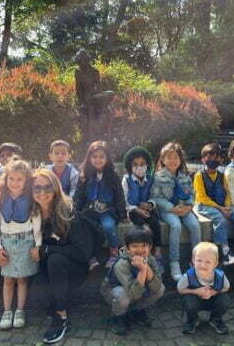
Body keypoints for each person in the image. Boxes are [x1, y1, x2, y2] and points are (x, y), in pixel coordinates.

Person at [32, 169, 102, 344]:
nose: (42, 192)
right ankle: (56, 299)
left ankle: (61, 316)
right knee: (37, 298)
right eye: (37, 187)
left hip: (75, 268)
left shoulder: (68, 212)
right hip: (47, 268)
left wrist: (46, 250)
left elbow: (82, 252)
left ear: (55, 188)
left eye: (47, 187)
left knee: (55, 259)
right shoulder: (32, 213)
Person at [0, 160, 41, 330]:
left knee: (22, 279)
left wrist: (38, 245)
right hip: (6, 242)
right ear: (5, 180)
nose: (14, 182)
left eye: (19, 179)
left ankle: (20, 310)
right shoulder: (2, 198)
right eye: (11, 178)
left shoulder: (30, 199)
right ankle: (7, 311)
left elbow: (37, 224)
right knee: (7, 279)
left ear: (26, 180)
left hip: (25, 241)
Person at [101, 226, 165, 336]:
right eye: (135, 246)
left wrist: (146, 269)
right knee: (123, 295)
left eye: (144, 245)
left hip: (135, 290)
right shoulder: (122, 264)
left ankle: (136, 310)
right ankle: (118, 317)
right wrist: (142, 271)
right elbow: (134, 294)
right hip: (113, 290)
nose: (140, 250)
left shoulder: (151, 259)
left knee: (161, 289)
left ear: (150, 247)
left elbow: (156, 286)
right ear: (127, 248)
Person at [151, 142, 201, 281]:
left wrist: (189, 207)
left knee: (195, 225)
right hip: (167, 210)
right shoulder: (158, 177)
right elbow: (156, 197)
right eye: (169, 157)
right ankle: (174, 262)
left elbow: (192, 193)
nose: (173, 161)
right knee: (176, 225)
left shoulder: (184, 176)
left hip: (184, 208)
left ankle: (196, 259)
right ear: (163, 159)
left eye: (176, 158)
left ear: (181, 160)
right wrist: (171, 208)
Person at [73, 140, 126, 269]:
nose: (98, 160)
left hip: (107, 211)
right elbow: (79, 195)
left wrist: (122, 213)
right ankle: (90, 255)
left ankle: (114, 252)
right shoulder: (84, 176)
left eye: (101, 157)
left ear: (107, 158)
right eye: (94, 157)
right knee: (85, 228)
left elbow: (119, 195)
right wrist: (75, 209)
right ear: (89, 158)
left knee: (108, 226)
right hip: (89, 211)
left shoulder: (112, 176)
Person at [193, 143, 234, 264]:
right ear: (203, 159)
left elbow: (226, 193)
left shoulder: (221, 175)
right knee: (220, 219)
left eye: (216, 158)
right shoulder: (199, 176)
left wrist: (227, 206)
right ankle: (223, 252)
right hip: (205, 206)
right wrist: (220, 208)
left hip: (221, 206)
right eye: (209, 158)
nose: (212, 161)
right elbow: (202, 197)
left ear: (220, 159)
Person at [121, 146, 165, 273]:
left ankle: (157, 253)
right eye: (135, 164)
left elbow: (154, 196)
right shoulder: (127, 179)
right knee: (139, 225)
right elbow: (125, 200)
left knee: (155, 224)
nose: (139, 167)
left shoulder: (151, 179)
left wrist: (150, 204)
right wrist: (137, 208)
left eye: (142, 164)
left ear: (147, 165)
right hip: (134, 210)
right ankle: (141, 255)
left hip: (148, 209)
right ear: (130, 166)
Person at [178, 242, 231, 335]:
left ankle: (215, 319)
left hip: (213, 300)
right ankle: (192, 319)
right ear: (193, 261)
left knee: (225, 300)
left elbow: (226, 287)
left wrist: (213, 292)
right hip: (195, 300)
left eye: (208, 262)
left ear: (215, 264)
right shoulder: (189, 275)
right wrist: (196, 291)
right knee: (188, 301)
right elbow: (180, 289)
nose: (203, 265)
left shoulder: (219, 275)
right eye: (199, 261)